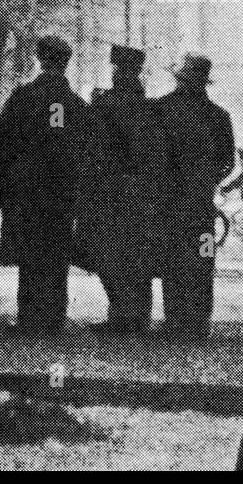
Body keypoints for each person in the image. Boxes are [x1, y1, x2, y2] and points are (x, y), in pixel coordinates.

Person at [0, 35, 90, 334]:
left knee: (30, 251)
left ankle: (29, 317)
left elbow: (0, 130)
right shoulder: (75, 105)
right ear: (65, 63)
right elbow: (87, 146)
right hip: (61, 188)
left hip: (27, 187)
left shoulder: (24, 96)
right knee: (56, 250)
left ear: (40, 60)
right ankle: (54, 316)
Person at [74, 44, 173, 334]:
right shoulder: (150, 108)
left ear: (116, 71)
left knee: (108, 254)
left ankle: (120, 316)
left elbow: (93, 150)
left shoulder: (105, 106)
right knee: (137, 255)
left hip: (111, 191)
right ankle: (137, 317)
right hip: (144, 193)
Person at [155, 54, 235, 339]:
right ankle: (199, 322)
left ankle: (175, 321)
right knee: (202, 260)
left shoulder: (161, 109)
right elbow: (228, 162)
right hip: (202, 207)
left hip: (170, 204)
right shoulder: (219, 115)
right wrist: (209, 181)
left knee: (173, 259)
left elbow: (152, 157)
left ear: (179, 78)